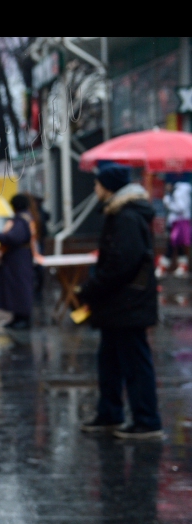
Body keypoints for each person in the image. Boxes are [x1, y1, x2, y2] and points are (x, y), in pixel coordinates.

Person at [78, 163, 162, 439]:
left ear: (109, 186)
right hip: (119, 305)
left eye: (98, 183)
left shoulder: (126, 216)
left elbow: (121, 264)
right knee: (110, 362)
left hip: (128, 304)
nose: (95, 188)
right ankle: (110, 415)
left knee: (135, 364)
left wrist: (91, 289)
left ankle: (146, 421)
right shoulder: (121, 213)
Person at [0, 194, 34, 330]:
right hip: (19, 259)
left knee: (20, 288)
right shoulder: (26, 218)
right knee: (16, 289)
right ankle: (17, 317)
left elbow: (14, 238)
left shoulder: (21, 220)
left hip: (18, 259)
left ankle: (23, 318)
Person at [156, 180, 191, 278]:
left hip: (179, 223)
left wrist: (168, 202)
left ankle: (163, 266)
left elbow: (181, 207)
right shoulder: (180, 191)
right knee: (178, 245)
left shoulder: (180, 192)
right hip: (176, 222)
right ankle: (183, 266)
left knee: (172, 244)